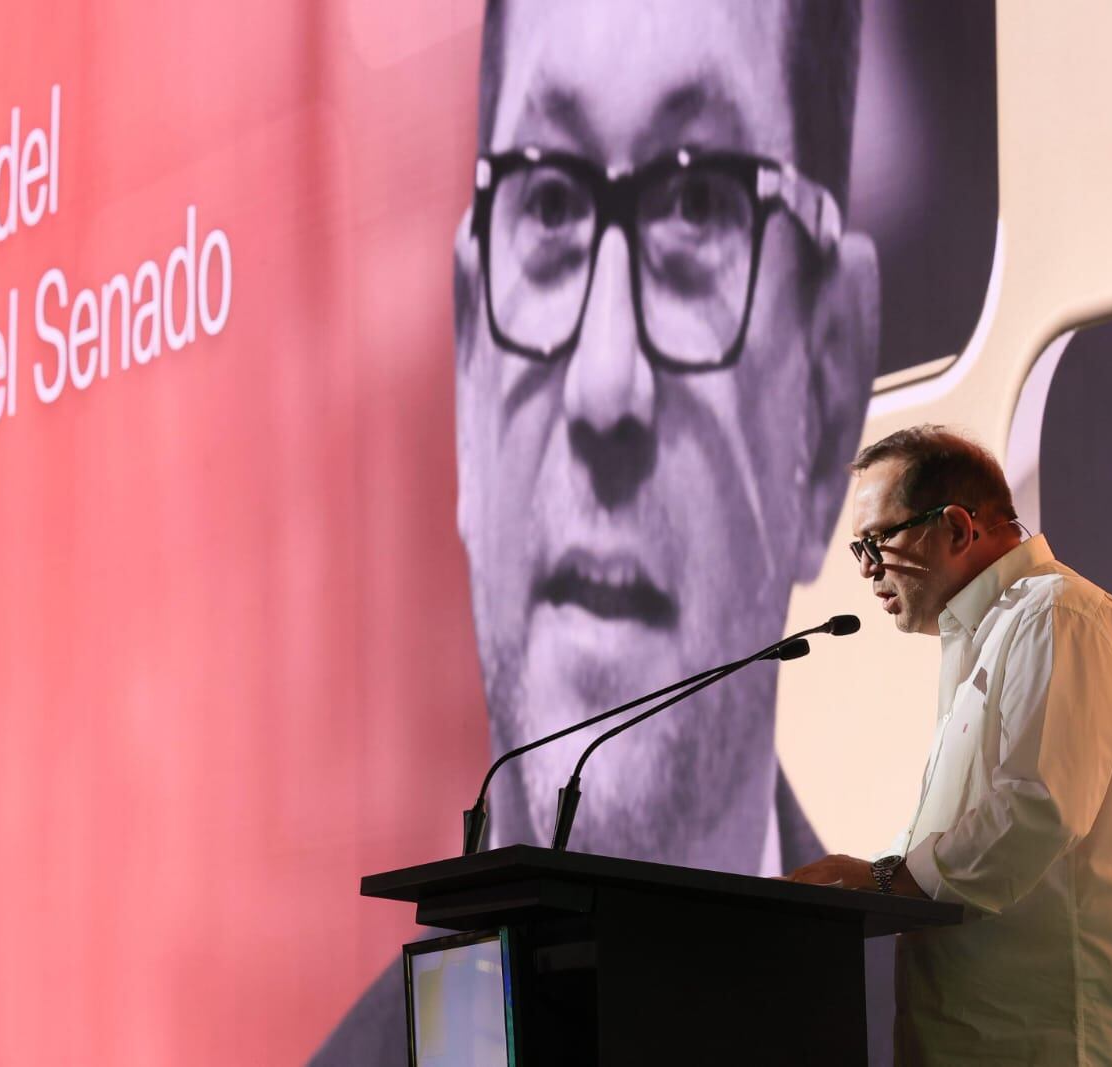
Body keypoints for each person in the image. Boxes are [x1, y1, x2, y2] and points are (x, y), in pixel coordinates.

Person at [313, 1, 881, 1061]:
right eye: (552, 205)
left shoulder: (931, 1033)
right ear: (468, 379)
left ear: (828, 388)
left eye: (697, 207)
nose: (605, 382)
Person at [786, 425, 1112, 1063]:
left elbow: (1036, 809)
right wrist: (855, 875)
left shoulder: (1057, 614)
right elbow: (970, 835)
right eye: (858, 548)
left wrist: (882, 878)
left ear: (959, 529)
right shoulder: (990, 634)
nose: (867, 569)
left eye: (879, 540)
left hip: (1079, 1041)